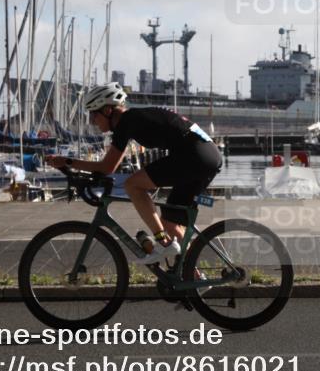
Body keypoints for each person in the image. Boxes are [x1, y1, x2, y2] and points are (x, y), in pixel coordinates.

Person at [45, 82, 221, 264]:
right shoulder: (131, 120)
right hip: (204, 155)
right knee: (170, 222)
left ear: (107, 110)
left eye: (93, 114)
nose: (92, 121)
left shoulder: (127, 121)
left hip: (195, 156)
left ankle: (163, 243)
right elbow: (109, 166)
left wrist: (66, 161)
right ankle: (191, 274)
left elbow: (107, 167)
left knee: (133, 185)